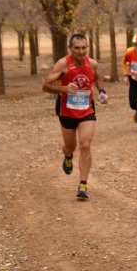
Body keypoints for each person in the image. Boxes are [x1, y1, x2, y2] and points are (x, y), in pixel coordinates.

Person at [42, 33, 107, 200]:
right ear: (70, 49)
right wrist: (63, 89)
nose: (81, 51)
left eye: (84, 48)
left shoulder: (92, 64)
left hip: (86, 110)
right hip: (67, 111)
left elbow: (97, 78)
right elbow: (45, 86)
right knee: (70, 146)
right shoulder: (63, 64)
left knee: (85, 144)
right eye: (77, 48)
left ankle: (83, 184)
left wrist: (102, 92)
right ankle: (68, 155)